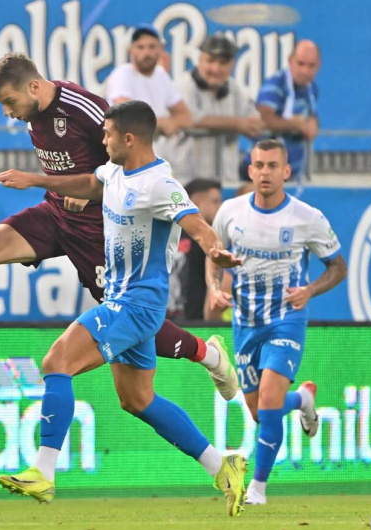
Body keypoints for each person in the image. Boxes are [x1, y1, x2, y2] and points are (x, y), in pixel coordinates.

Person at [0, 53, 238, 398]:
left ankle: (208, 354)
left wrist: (95, 193)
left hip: (100, 231)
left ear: (33, 86)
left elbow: (131, 160)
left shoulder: (82, 107)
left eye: (9, 102)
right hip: (56, 215)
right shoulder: (32, 116)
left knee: (134, 321)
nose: (8, 112)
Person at [0, 100, 248, 516]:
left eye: (107, 134)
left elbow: (197, 225)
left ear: (129, 138)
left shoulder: (160, 185)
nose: (102, 139)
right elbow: (87, 184)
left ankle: (43, 471)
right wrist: (34, 180)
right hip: (121, 300)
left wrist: (215, 251)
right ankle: (222, 466)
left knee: (57, 362)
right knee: (138, 400)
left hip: (137, 304)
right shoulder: (112, 172)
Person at [207, 139, 347, 505]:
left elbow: (338, 266)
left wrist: (310, 290)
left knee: (269, 402)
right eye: (259, 165)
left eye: (272, 166)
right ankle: (302, 399)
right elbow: (213, 254)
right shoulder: (230, 212)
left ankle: (258, 489)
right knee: (259, 412)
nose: (265, 172)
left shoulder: (307, 217)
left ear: (286, 171)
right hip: (245, 321)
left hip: (287, 318)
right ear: (250, 170)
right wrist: (214, 288)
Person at [106, 24, 192, 177]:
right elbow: (125, 115)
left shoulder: (161, 75)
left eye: (152, 47)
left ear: (160, 50)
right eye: (140, 47)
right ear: (131, 51)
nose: (146, 52)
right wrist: (163, 123)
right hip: (126, 158)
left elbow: (186, 118)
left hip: (155, 158)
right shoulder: (123, 74)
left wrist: (166, 123)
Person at [178, 35, 263, 183]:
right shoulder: (185, 84)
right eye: (210, 61)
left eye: (223, 63)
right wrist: (236, 124)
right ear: (200, 60)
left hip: (225, 180)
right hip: (186, 182)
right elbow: (189, 118)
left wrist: (252, 124)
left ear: (232, 65)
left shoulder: (234, 87)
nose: (216, 68)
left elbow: (254, 121)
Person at [248, 40, 321, 182]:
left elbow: (312, 117)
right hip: (265, 173)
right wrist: (298, 125)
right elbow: (264, 118)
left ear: (319, 65)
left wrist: (313, 125)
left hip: (293, 172)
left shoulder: (311, 88)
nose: (305, 71)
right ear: (290, 60)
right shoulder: (276, 84)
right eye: (300, 64)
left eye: (311, 66)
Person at [176, 178, 231, 321]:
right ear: (195, 203)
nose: (220, 206)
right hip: (179, 319)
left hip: (197, 322)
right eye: (215, 201)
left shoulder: (214, 240)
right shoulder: (208, 242)